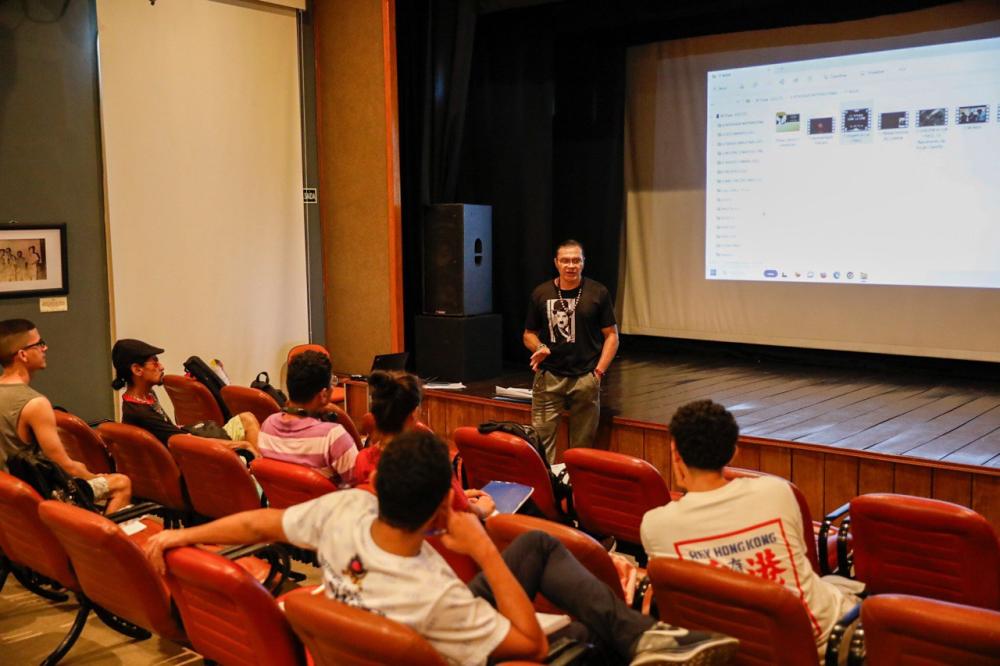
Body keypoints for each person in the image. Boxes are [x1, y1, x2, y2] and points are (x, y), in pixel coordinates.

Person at [144, 430, 737, 665]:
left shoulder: (345, 509)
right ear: (438, 511)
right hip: (430, 636)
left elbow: (260, 526)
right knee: (580, 636)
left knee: (534, 546)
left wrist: (180, 533)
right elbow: (527, 643)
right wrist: (478, 548)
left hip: (375, 628)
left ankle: (646, 638)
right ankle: (635, 645)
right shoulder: (435, 596)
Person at [640, 400, 862, 658]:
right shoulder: (776, 492)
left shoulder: (656, 525)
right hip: (826, 644)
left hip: (736, 653)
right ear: (734, 452)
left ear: (675, 452)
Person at [0, 319, 132, 513]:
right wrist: (92, 476)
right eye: (39, 344)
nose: (45, 348)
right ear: (23, 355)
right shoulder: (35, 403)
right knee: (121, 482)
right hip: (39, 495)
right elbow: (62, 465)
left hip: (8, 494)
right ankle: (100, 543)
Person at [353, 370, 495, 520]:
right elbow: (464, 512)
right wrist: (483, 508)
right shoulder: (430, 461)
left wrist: (461, 495)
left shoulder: (362, 459)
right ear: (414, 413)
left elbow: (403, 500)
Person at [524, 240, 619, 463]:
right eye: (565, 260)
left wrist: (598, 373)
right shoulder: (541, 293)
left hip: (585, 377)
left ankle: (575, 492)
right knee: (541, 443)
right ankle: (547, 493)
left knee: (582, 447)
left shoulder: (597, 292)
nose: (571, 265)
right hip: (549, 377)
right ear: (556, 263)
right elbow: (528, 333)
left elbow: (612, 336)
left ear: (583, 263)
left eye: (576, 260)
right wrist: (540, 347)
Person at [110, 338, 261, 456]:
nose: (161, 367)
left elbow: (172, 434)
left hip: (185, 443)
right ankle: (256, 484)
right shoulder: (140, 412)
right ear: (137, 370)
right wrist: (242, 445)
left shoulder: (145, 397)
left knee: (247, 418)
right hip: (190, 459)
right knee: (248, 441)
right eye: (154, 362)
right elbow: (186, 443)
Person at [257, 350, 357, 483]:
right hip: (326, 503)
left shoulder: (267, 426)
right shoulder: (333, 437)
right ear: (323, 395)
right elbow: (360, 486)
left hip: (281, 504)